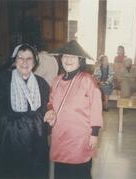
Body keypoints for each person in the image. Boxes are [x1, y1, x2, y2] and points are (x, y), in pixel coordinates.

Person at [0, 43, 49, 179]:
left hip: (34, 136)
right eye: (20, 58)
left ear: (35, 62)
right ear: (14, 61)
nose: (25, 62)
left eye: (29, 58)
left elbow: (45, 109)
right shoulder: (2, 80)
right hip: (9, 135)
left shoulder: (42, 83)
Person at [44, 40, 103, 179]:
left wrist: (94, 133)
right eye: (65, 56)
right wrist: (50, 110)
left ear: (80, 60)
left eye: (73, 57)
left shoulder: (87, 80)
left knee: (79, 172)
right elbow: (50, 102)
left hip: (80, 138)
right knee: (61, 172)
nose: (68, 60)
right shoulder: (56, 80)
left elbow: (96, 107)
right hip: (60, 136)